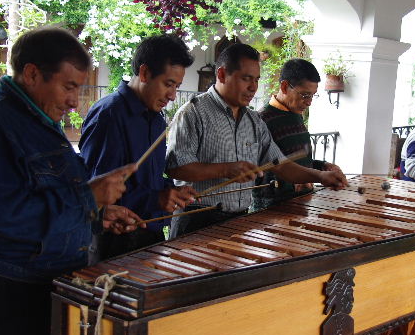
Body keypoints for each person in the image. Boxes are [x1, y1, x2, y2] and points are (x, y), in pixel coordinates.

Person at [0, 27, 140, 335]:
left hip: (46, 286)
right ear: (32, 73)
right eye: (69, 87)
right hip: (5, 297)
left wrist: (96, 215)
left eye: (79, 89)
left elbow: (47, 199)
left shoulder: (39, 119)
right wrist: (88, 197)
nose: (74, 101)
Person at [166, 43, 348, 238]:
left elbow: (280, 165)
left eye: (256, 80)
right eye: (246, 79)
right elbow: (176, 167)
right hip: (197, 219)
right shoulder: (193, 112)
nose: (253, 87)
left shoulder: (254, 120)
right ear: (221, 75)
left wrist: (320, 176)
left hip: (239, 221)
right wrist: (226, 169)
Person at [80, 35, 198, 259]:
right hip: (113, 243)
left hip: (148, 238)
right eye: (168, 84)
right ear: (144, 73)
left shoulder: (156, 120)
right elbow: (97, 192)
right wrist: (155, 199)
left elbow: (149, 179)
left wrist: (170, 192)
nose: (172, 95)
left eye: (177, 87)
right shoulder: (109, 115)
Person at [252, 58, 345, 210]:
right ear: (284, 86)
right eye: (305, 95)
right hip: (273, 211)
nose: (309, 102)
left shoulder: (296, 114)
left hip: (302, 203)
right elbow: (267, 168)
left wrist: (323, 166)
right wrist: (294, 181)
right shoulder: (261, 120)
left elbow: (300, 160)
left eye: (313, 95)